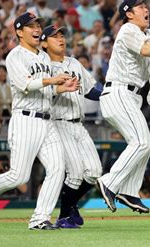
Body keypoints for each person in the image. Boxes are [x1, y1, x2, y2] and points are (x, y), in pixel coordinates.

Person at [0, 12, 79, 230]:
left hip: (47, 121)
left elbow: (46, 89)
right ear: (19, 32)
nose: (37, 29)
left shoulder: (44, 57)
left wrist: (60, 88)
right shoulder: (14, 56)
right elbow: (26, 84)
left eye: (38, 25)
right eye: (31, 26)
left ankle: (40, 218)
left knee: (58, 167)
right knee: (19, 177)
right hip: (25, 120)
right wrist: (53, 79)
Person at [96, 0, 150, 214]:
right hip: (119, 91)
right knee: (141, 143)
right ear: (129, 13)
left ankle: (130, 191)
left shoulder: (147, 33)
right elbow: (146, 50)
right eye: (140, 6)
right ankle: (110, 182)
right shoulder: (128, 29)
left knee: (145, 144)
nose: (146, 9)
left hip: (130, 97)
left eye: (146, 6)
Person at [40, 25, 103, 229]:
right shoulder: (42, 66)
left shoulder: (74, 63)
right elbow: (40, 93)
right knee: (75, 173)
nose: (61, 39)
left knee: (94, 171)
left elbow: (90, 90)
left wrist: (111, 93)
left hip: (79, 124)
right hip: (58, 123)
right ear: (43, 43)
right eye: (54, 36)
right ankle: (64, 216)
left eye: (62, 36)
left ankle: (71, 205)